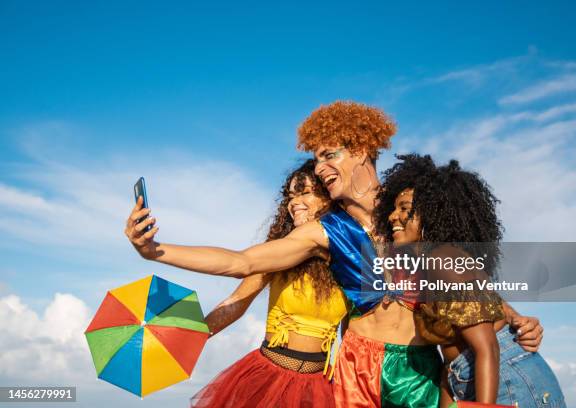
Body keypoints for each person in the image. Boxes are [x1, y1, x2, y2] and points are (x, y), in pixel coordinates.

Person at [125, 101, 544, 407]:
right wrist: (154, 251)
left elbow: (459, 273)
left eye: (329, 155)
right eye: (316, 158)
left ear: (361, 149)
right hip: (356, 368)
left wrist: (513, 316)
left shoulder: (410, 208)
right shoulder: (324, 231)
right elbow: (243, 261)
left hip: (419, 368)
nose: (321, 167)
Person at [374, 153, 566, 407]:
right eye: (394, 208)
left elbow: (488, 348)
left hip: (508, 379)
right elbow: (450, 358)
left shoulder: (443, 259)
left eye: (405, 209)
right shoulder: (431, 264)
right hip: (474, 376)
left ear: (433, 214)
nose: (392, 217)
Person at [190, 159, 349, 408]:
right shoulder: (276, 252)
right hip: (269, 378)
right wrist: (191, 338)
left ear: (329, 198)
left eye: (305, 193)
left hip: (321, 387)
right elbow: (236, 303)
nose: (294, 203)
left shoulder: (348, 257)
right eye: (290, 196)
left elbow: (352, 331)